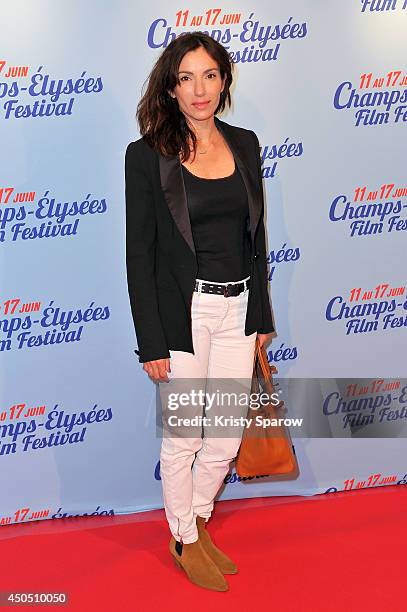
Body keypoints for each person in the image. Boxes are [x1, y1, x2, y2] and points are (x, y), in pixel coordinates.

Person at [125, 31, 275, 592]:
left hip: (238, 309)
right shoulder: (146, 158)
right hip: (184, 315)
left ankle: (198, 522)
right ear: (170, 87)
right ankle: (184, 537)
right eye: (186, 77)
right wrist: (152, 343)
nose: (199, 89)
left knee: (224, 435)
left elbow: (256, 241)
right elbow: (138, 254)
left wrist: (261, 318)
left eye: (209, 75)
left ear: (224, 80)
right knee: (185, 436)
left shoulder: (246, 144)